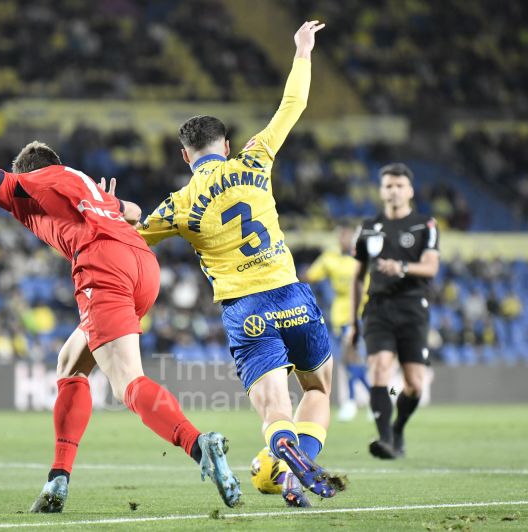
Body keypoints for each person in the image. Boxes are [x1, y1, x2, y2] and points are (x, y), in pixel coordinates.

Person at [0, 142, 241, 512]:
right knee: (69, 363)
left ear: (29, 172)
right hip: (143, 264)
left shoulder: (30, 184)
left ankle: (198, 443)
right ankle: (58, 477)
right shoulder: (82, 183)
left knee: (127, 383)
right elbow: (136, 212)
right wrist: (108, 205)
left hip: (103, 265)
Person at [138, 21, 344, 508]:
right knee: (319, 389)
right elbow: (292, 105)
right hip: (291, 293)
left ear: (185, 155)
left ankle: (284, 450)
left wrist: (103, 204)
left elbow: (126, 233)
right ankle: (295, 466)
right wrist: (302, 50)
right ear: (226, 146)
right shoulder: (255, 159)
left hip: (244, 310)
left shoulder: (178, 205)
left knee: (275, 406)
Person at [349, 163, 440, 459]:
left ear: (410, 191)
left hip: (413, 308)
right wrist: (352, 322)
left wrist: (401, 267)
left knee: (414, 383)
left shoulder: (425, 225)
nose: (394, 190)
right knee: (379, 368)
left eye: (400, 185)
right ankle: (384, 439)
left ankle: (398, 428)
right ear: (381, 190)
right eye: (389, 185)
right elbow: (357, 276)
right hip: (378, 308)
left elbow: (431, 267)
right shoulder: (367, 228)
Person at [303, 220, 370, 422]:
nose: (345, 239)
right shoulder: (330, 258)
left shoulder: (362, 259)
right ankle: (371, 399)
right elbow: (310, 275)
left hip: (357, 315)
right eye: (342, 235)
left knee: (351, 359)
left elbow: (367, 288)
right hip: (339, 315)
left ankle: (358, 401)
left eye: (348, 236)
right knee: (349, 360)